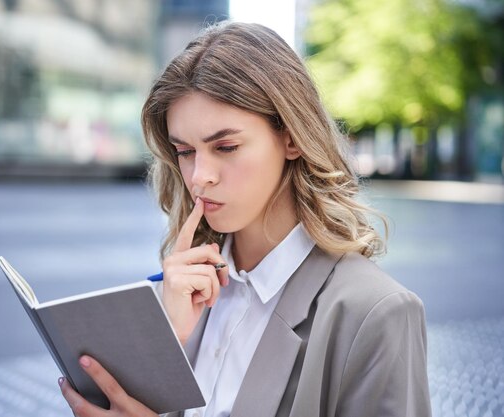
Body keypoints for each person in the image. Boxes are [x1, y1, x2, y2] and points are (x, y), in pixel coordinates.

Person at [59, 21, 432, 417]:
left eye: (226, 146)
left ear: (291, 137)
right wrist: (162, 340)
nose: (200, 175)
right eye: (185, 151)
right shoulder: (175, 299)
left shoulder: (376, 312)